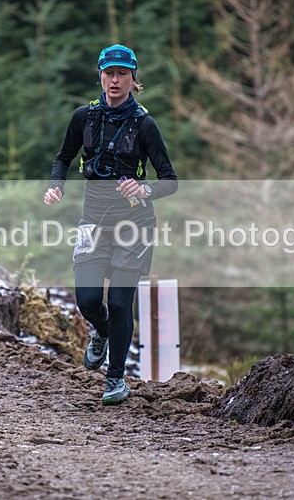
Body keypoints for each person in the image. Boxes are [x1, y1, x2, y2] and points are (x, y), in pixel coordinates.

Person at [43, 44, 178, 405]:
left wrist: (144, 187)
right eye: (109, 73)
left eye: (122, 74)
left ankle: (115, 379)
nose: (115, 80)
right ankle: (100, 332)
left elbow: (170, 180)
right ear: (100, 76)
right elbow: (63, 157)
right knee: (88, 300)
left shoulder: (144, 124)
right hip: (93, 220)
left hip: (134, 224)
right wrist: (57, 184)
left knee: (120, 303)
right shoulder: (83, 117)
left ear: (134, 79)